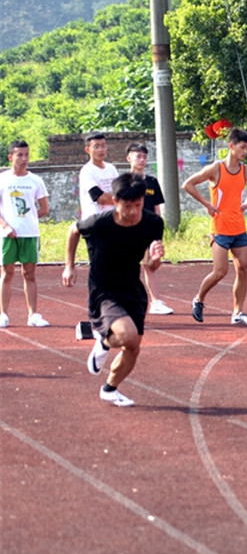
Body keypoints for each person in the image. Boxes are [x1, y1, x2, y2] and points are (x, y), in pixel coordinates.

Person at [62, 173, 165, 407]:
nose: (133, 211)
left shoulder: (152, 223)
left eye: (138, 205)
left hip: (132, 288)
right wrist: (69, 266)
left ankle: (110, 388)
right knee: (125, 334)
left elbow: (150, 264)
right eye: (128, 206)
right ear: (116, 202)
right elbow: (73, 230)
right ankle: (103, 343)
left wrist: (157, 259)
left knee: (133, 346)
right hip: (103, 289)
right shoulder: (100, 223)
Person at [183, 127, 247, 325]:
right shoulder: (215, 169)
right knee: (220, 272)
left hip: (239, 228)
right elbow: (188, 185)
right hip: (220, 228)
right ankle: (199, 299)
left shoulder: (245, 171)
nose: (245, 152)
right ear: (231, 146)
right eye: (242, 147)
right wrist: (207, 204)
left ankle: (238, 313)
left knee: (243, 268)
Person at [0, 140, 50, 328]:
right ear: (10, 157)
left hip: (30, 234)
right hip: (7, 235)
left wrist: (29, 219)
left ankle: (33, 315)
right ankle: (3, 314)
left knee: (29, 274)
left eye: (26, 155)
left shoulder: (35, 181)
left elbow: (44, 208)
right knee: (7, 273)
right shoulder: (3, 179)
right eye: (19, 155)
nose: (24, 159)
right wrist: (6, 226)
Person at [126, 142, 173, 315]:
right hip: (130, 229)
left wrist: (158, 231)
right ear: (129, 158)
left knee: (151, 265)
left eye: (144, 156)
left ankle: (155, 302)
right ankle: (127, 300)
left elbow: (157, 209)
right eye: (138, 156)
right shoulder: (125, 181)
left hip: (148, 230)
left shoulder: (152, 182)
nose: (142, 160)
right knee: (128, 267)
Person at [78, 132, 119, 219]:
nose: (101, 150)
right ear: (87, 150)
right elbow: (100, 198)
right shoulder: (87, 171)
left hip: (113, 220)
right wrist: (120, 199)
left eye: (103, 146)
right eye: (96, 147)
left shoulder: (111, 169)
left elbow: (121, 191)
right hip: (94, 221)